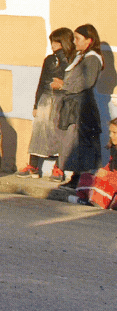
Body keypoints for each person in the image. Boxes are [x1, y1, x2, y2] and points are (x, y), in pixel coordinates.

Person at [52, 24, 105, 190]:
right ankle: (76, 177)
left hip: (82, 106)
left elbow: (85, 82)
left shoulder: (93, 59)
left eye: (77, 39)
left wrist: (63, 85)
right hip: (75, 104)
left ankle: (80, 180)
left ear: (89, 40)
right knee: (73, 141)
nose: (74, 42)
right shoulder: (81, 57)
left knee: (80, 142)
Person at [18, 28, 73, 179]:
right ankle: (33, 166)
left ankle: (59, 168)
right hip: (46, 98)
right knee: (39, 131)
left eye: (56, 42)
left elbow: (70, 77)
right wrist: (36, 105)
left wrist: (62, 55)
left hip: (62, 100)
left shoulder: (72, 59)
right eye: (52, 42)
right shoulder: (49, 59)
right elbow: (42, 82)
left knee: (59, 133)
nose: (53, 45)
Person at [74, 118, 117, 208]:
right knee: (86, 177)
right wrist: (102, 171)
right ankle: (86, 199)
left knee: (106, 182)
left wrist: (108, 175)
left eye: (114, 133)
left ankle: (99, 203)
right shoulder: (114, 148)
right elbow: (110, 165)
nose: (110, 135)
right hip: (111, 179)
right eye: (110, 132)